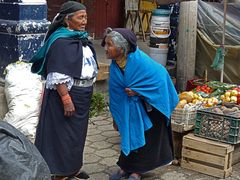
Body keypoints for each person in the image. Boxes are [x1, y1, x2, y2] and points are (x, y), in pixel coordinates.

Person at [30, 1, 98, 179]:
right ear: (68, 20)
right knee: (62, 135)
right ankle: (59, 173)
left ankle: (72, 168)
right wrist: (66, 98)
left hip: (82, 95)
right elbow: (57, 71)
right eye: (80, 17)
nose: (84, 21)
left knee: (77, 135)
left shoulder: (79, 37)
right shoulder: (61, 41)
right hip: (66, 95)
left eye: (85, 17)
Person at [101, 28, 179, 180]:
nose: (105, 48)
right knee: (128, 132)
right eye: (105, 44)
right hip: (129, 107)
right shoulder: (116, 64)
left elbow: (160, 79)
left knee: (147, 137)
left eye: (109, 45)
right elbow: (116, 93)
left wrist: (139, 92)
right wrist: (116, 116)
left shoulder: (141, 62)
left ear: (122, 48)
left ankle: (137, 171)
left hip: (151, 106)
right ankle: (125, 167)